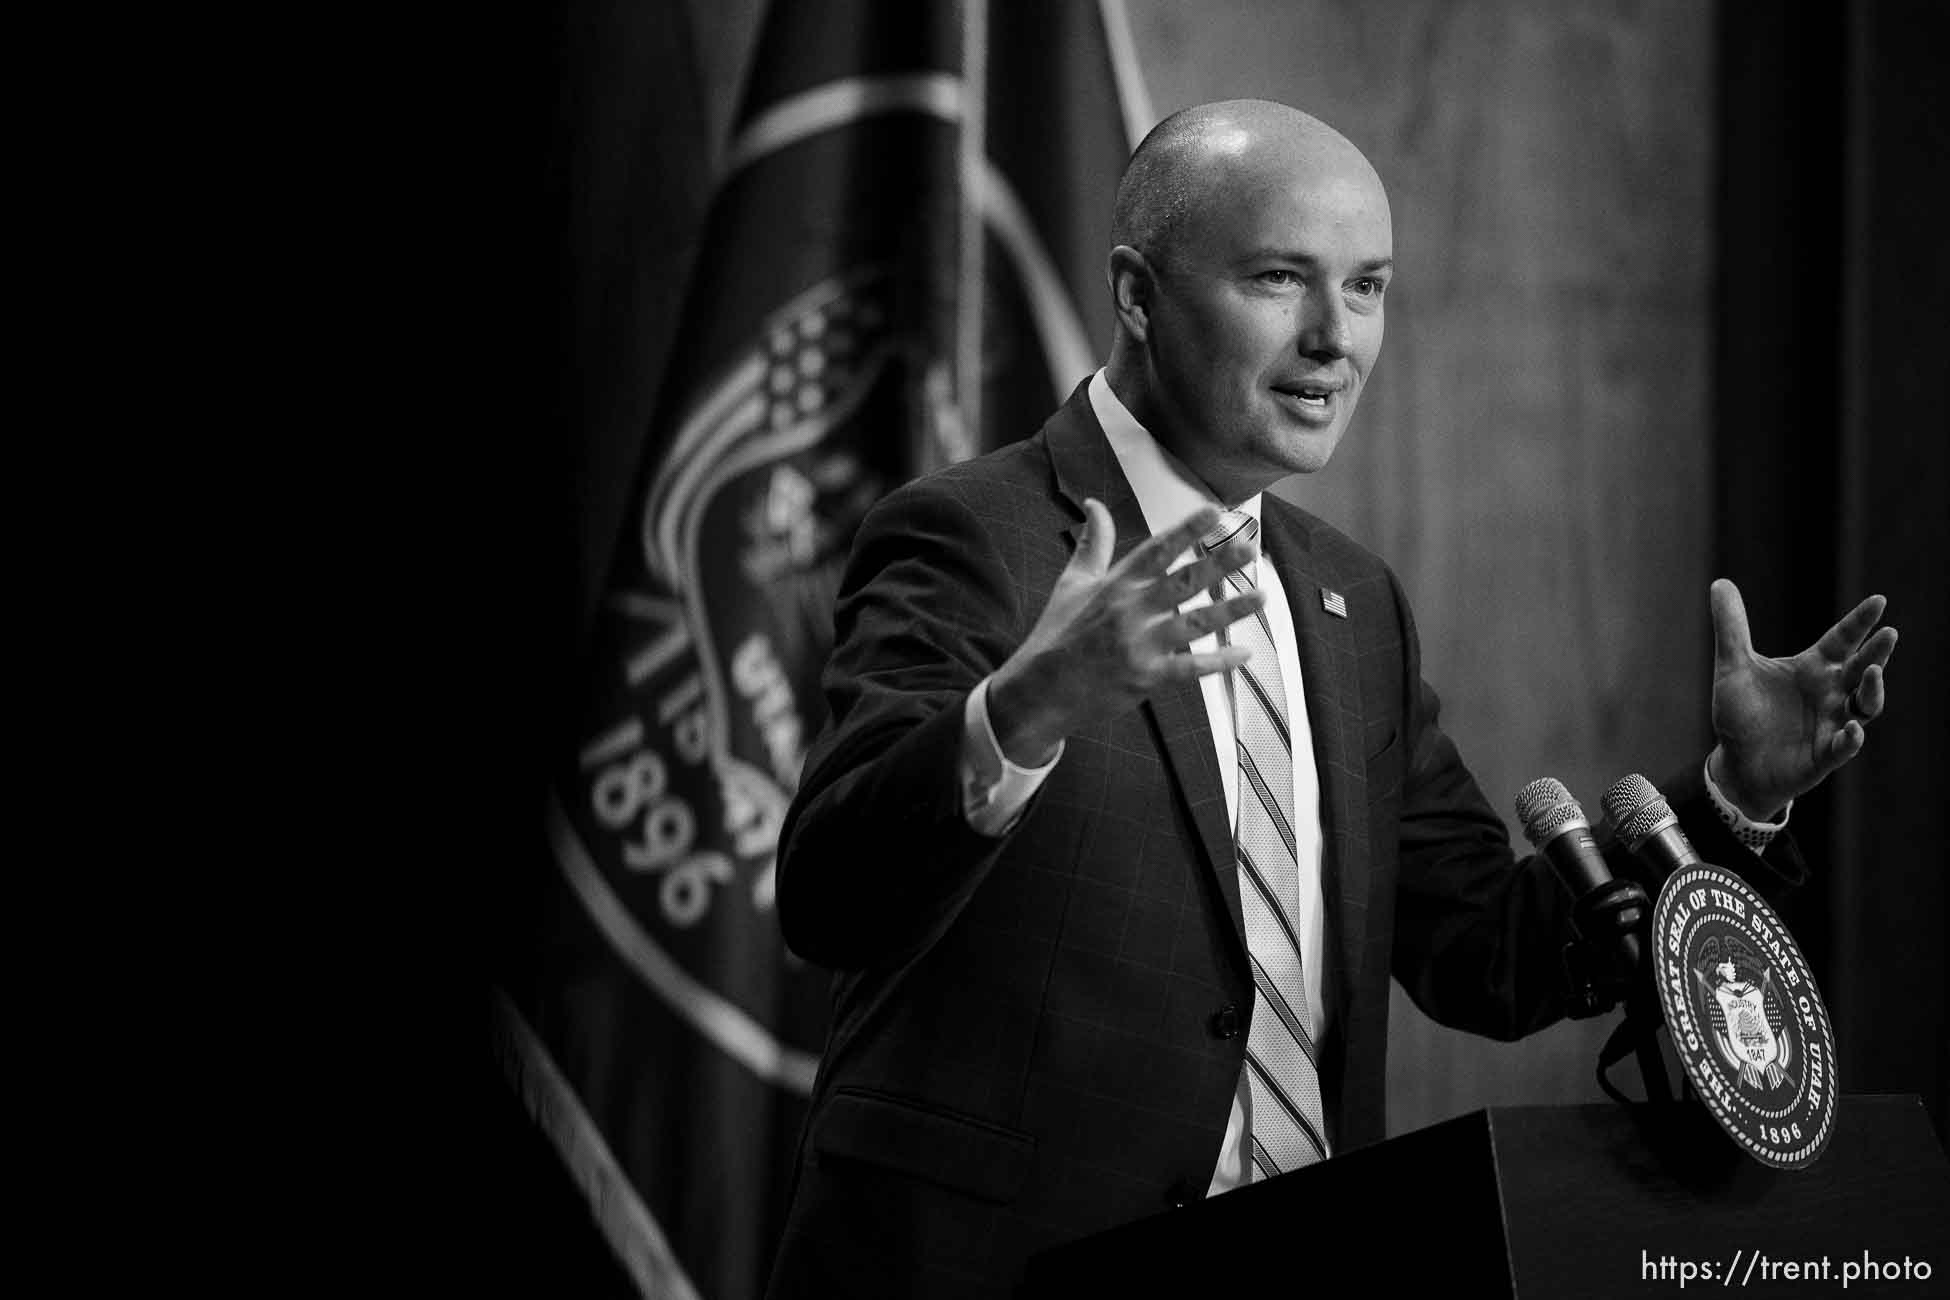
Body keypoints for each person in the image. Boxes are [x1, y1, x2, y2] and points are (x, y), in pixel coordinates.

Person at [764, 100, 1897, 1300]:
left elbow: (1488, 956)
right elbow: (829, 894)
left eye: (1367, 288)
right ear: (1136, 294)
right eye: (1279, 280)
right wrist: (1032, 703)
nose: (1333, 338)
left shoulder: (1353, 603)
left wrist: (1735, 795)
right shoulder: (977, 534)